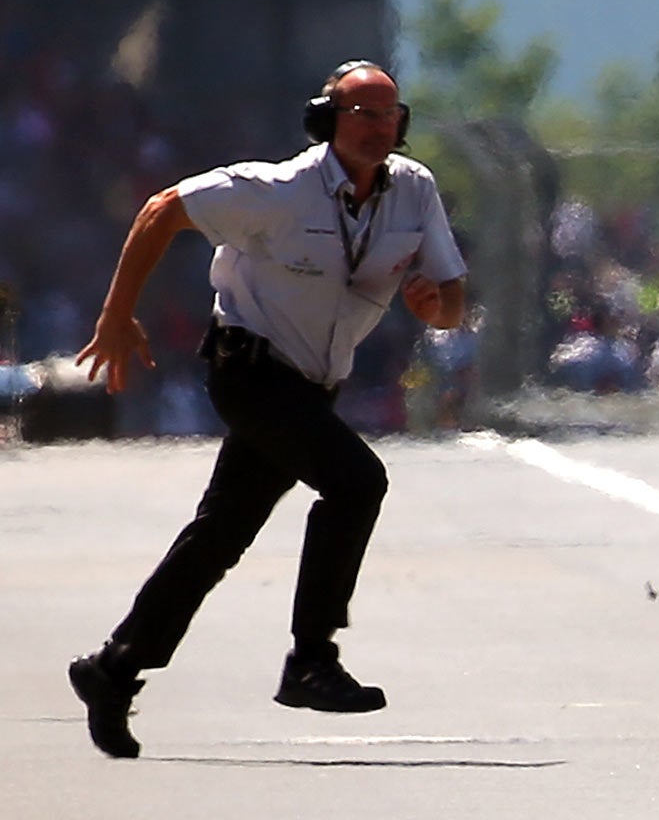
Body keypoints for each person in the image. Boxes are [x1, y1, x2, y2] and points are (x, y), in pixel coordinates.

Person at [65, 60, 467, 759]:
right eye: (362, 113)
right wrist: (118, 313)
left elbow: (453, 297)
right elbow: (163, 210)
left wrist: (439, 308)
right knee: (356, 481)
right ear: (327, 122)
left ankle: (114, 668)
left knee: (220, 536)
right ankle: (311, 659)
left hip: (312, 384)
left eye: (389, 115)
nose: (378, 128)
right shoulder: (279, 192)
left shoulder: (415, 192)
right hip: (249, 371)